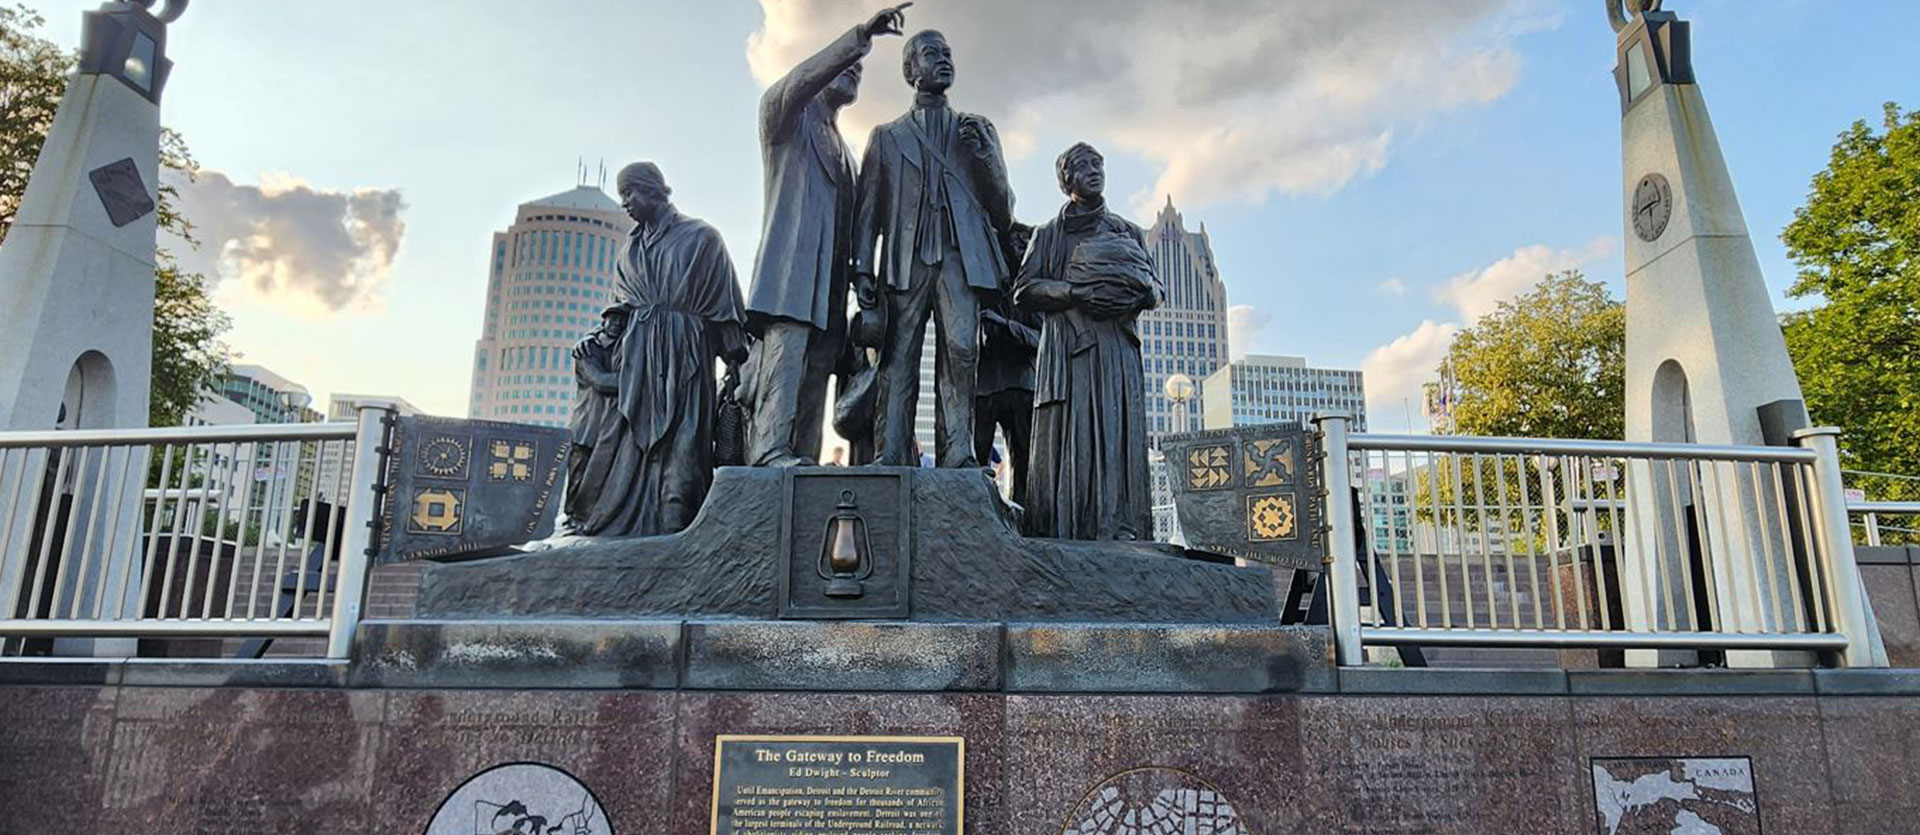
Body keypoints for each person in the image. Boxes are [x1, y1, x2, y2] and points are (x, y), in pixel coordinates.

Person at [742, 4, 911, 467]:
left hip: (830, 287)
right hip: (791, 275)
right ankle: (768, 451)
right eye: (847, 68)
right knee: (787, 356)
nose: (854, 74)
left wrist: (861, 277)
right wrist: (859, 38)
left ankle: (799, 456)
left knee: (817, 368)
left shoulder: (843, 150)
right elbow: (798, 81)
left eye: (859, 72)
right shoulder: (784, 121)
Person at [851, 29, 1016, 469]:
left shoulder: (977, 131)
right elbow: (867, 211)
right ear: (910, 71)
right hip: (905, 262)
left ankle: (958, 451)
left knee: (962, 351)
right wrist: (863, 272)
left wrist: (987, 160)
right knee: (898, 357)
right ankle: (891, 451)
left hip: (960, 261)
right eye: (931, 53)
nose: (943, 60)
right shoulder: (886, 137)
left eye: (948, 53)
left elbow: (1003, 212)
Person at [572, 162, 746, 537]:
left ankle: (676, 533)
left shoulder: (701, 238)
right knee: (625, 452)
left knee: (683, 449)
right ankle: (620, 528)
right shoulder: (629, 250)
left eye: (628, 194)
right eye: (621, 197)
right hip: (635, 367)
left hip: (686, 359)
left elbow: (726, 311)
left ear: (652, 189)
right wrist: (596, 342)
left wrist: (735, 365)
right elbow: (616, 315)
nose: (625, 204)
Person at [1013, 143, 1160, 540]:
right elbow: (1024, 290)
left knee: (1115, 432)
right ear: (1066, 181)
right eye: (1083, 166)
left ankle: (1120, 526)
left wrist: (1135, 290)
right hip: (1069, 352)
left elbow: (1156, 289)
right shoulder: (1047, 234)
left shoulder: (1127, 231)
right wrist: (1076, 293)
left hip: (1115, 349)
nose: (1094, 171)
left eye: (1098, 164)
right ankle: (1065, 530)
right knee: (1070, 438)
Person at [975, 221, 1038, 507]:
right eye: (1013, 243)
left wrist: (1006, 326)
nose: (1018, 249)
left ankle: (1022, 516)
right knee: (975, 459)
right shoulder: (986, 285)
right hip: (984, 385)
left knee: (1025, 462)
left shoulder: (1034, 291)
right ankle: (976, 514)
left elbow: (1042, 339)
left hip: (1021, 384)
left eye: (1024, 243)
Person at [562, 306, 626, 531]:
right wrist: (638, 379)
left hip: (607, 428)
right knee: (579, 475)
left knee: (599, 478)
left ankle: (587, 519)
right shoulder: (587, 349)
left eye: (622, 320)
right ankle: (573, 518)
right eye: (613, 318)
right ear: (604, 320)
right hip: (587, 425)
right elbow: (600, 381)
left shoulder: (621, 347)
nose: (617, 323)